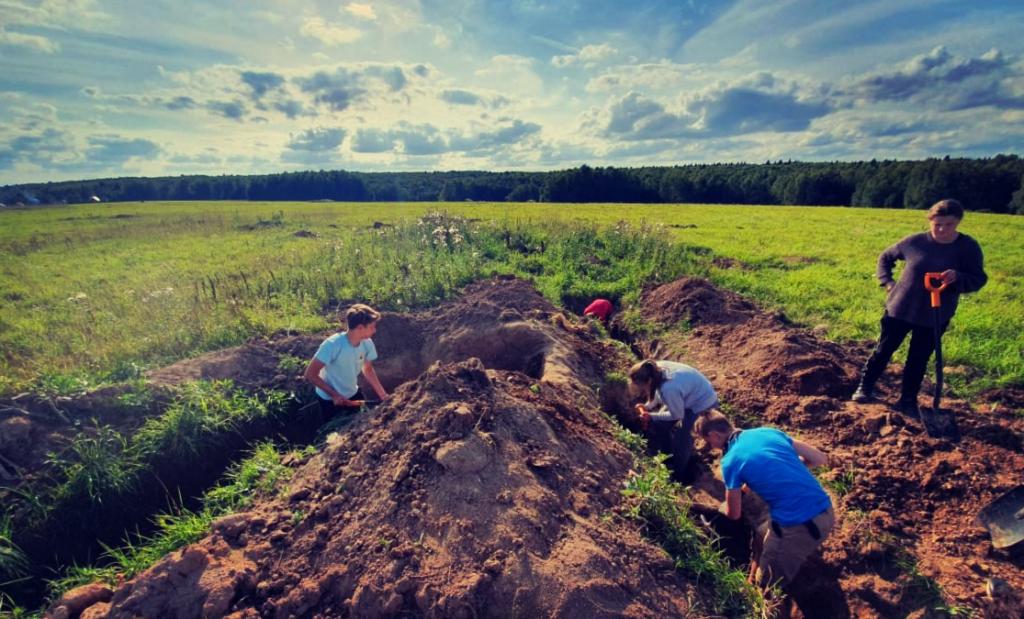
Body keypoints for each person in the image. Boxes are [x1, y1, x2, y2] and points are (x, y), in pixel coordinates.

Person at [851, 199, 987, 415]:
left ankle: (907, 401)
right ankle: (864, 387)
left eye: (948, 224)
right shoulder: (914, 242)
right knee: (884, 350)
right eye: (937, 224)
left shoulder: (968, 247)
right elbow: (885, 258)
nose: (942, 229)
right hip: (900, 308)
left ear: (958, 222)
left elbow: (978, 279)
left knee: (918, 358)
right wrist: (887, 282)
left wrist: (958, 277)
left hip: (935, 314)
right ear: (930, 221)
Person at [695, 411, 834, 598]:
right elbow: (819, 459)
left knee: (768, 587)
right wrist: (778, 471)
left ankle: (757, 596)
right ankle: (749, 580)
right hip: (825, 510)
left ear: (714, 435)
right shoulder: (767, 432)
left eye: (709, 441)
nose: (710, 446)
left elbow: (734, 514)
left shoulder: (730, 461)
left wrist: (721, 510)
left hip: (799, 525)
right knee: (761, 535)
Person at [627, 359, 719, 479]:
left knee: (681, 439)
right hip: (686, 395)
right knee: (659, 424)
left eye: (643, 386)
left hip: (702, 402)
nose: (642, 389)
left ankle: (678, 474)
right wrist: (648, 406)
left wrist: (651, 416)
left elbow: (677, 415)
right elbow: (658, 390)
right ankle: (667, 457)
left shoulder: (670, 388)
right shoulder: (653, 369)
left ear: (649, 380)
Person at [304, 303, 388, 420]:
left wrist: (383, 396)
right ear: (360, 328)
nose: (375, 330)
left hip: (352, 393)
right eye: (372, 327)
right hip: (329, 399)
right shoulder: (332, 345)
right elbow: (310, 374)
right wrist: (334, 395)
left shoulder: (367, 343)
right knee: (335, 432)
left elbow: (367, 369)